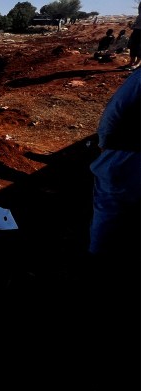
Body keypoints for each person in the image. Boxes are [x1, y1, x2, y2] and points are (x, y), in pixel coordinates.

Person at [88, 68, 140, 266]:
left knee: (109, 205)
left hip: (126, 152)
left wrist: (104, 143)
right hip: (128, 149)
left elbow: (115, 110)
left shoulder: (139, 78)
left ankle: (97, 257)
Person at [126, 4, 141, 70]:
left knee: (139, 48)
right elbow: (134, 26)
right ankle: (132, 62)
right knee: (133, 47)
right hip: (136, 32)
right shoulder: (139, 16)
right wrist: (130, 25)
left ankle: (137, 63)